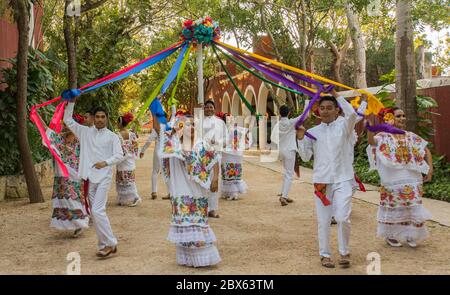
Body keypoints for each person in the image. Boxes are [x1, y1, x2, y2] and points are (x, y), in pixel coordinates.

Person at [297, 87, 365, 269]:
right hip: (321, 181)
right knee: (324, 220)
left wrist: (336, 95)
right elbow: (305, 157)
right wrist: (301, 138)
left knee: (342, 217)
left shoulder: (345, 126)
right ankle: (325, 254)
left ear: (337, 110)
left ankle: (344, 251)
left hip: (343, 179)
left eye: (329, 107)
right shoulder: (313, 132)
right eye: (322, 108)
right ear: (318, 111)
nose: (325, 111)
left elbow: (352, 114)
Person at [158, 111, 221, 267]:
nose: (191, 127)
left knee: (198, 223)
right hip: (180, 191)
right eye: (187, 124)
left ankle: (204, 258)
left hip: (198, 191)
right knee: (184, 225)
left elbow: (215, 159)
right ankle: (188, 259)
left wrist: (215, 179)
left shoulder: (201, 144)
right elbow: (163, 137)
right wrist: (170, 127)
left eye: (193, 124)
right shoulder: (173, 146)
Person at [64, 99, 123, 258]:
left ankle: (111, 243)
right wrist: (71, 102)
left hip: (104, 177)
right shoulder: (84, 131)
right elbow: (67, 120)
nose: (100, 119)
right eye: (97, 116)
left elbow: (119, 155)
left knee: (97, 210)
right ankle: (104, 244)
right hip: (89, 178)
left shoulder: (112, 137)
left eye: (103, 117)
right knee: (95, 213)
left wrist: (105, 163)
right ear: (93, 118)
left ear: (107, 118)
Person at [367, 107, 433, 248]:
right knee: (393, 206)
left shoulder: (410, 135)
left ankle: (411, 234)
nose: (402, 118)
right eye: (398, 116)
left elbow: (426, 150)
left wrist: (430, 169)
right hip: (392, 178)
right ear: (389, 118)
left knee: (411, 206)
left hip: (412, 177)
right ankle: (390, 235)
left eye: (403, 115)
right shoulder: (383, 136)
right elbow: (372, 142)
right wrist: (369, 128)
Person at [41, 115, 89, 237]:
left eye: (68, 125)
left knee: (74, 200)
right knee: (64, 201)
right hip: (61, 176)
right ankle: (74, 224)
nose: (65, 127)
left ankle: (80, 223)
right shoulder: (59, 139)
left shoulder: (80, 140)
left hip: (75, 175)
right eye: (65, 125)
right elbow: (46, 130)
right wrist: (37, 116)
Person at [271, 105, 301, 206]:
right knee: (289, 174)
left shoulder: (277, 125)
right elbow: (303, 116)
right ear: (288, 113)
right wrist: (307, 102)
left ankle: (284, 194)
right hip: (290, 150)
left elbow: (272, 137)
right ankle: (283, 197)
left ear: (280, 113)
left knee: (286, 173)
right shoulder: (291, 122)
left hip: (282, 151)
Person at [202, 100, 227, 218]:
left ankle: (213, 209)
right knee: (202, 181)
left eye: (211, 107)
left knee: (214, 180)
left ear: (214, 108)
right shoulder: (199, 122)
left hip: (216, 154)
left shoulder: (220, 123)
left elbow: (226, 139)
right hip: (202, 155)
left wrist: (216, 142)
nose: (208, 109)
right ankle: (202, 208)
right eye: (206, 107)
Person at [220, 113, 252, 200]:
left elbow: (247, 132)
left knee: (232, 171)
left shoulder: (234, 129)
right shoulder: (226, 129)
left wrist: (243, 143)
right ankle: (228, 192)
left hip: (232, 153)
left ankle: (233, 193)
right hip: (229, 153)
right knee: (228, 172)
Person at [116, 113, 141, 207]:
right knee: (127, 180)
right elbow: (135, 147)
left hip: (122, 160)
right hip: (130, 160)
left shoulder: (117, 135)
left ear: (120, 123)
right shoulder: (131, 134)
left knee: (123, 179)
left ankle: (136, 197)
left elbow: (117, 149)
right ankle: (122, 198)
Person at [140, 127, 160, 199]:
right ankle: (170, 192)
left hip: (158, 151)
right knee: (168, 173)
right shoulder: (170, 126)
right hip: (168, 151)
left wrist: (142, 150)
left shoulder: (157, 128)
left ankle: (154, 191)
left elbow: (149, 141)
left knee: (155, 171)